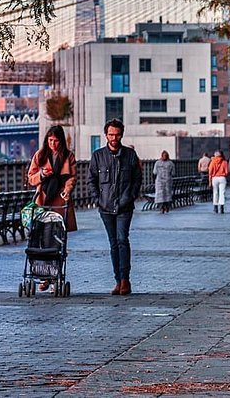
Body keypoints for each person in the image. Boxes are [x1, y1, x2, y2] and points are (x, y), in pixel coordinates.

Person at [88, 119, 143, 296]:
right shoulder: (98, 156)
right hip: (105, 207)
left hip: (125, 206)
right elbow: (91, 181)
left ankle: (125, 280)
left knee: (122, 240)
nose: (114, 138)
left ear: (122, 135)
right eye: (111, 134)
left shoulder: (130, 155)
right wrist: (98, 199)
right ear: (106, 135)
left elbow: (137, 179)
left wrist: (131, 196)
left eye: (117, 134)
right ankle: (117, 280)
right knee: (113, 244)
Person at [27, 124, 78, 233]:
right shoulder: (40, 155)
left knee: (59, 230)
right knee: (42, 228)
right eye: (50, 140)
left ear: (61, 141)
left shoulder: (68, 156)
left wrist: (67, 190)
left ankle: (58, 249)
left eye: (56, 141)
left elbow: (72, 177)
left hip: (61, 195)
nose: (53, 144)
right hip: (43, 196)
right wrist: (41, 175)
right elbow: (31, 178)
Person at [208, 149, 229, 214]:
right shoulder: (224, 162)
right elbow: (227, 172)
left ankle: (215, 207)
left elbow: (210, 172)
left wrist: (210, 181)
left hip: (214, 178)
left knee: (215, 192)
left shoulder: (212, 162)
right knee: (222, 193)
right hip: (222, 178)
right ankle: (221, 207)